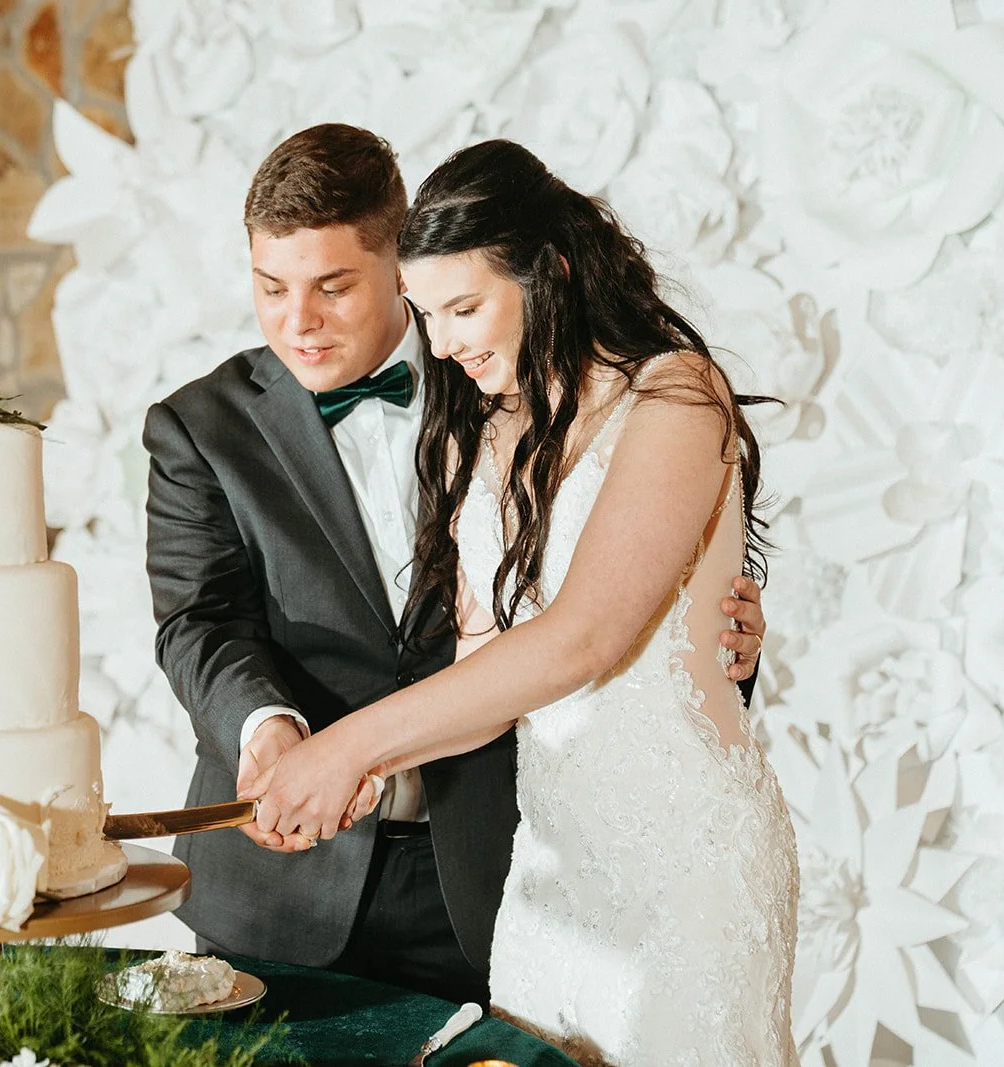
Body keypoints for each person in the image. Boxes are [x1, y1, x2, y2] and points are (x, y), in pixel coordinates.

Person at [143, 125, 768, 1007]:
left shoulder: (513, 383)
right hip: (289, 889)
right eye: (270, 287)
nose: (298, 320)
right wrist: (286, 737)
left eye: (333, 287)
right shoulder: (199, 426)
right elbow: (198, 621)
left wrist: (709, 630)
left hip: (497, 860)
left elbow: (595, 615)